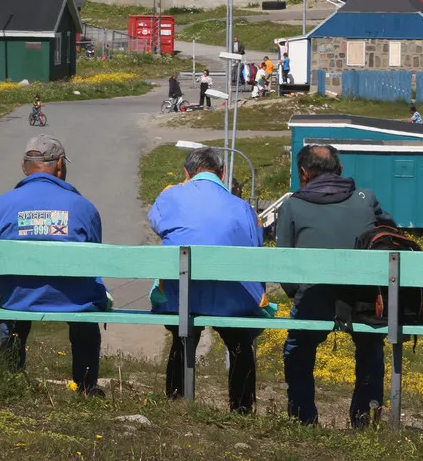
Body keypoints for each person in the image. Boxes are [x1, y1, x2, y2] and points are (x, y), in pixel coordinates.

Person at [277, 145, 391, 428]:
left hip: (314, 296)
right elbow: (389, 234)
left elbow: (284, 266)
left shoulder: (291, 205)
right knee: (370, 347)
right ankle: (364, 418)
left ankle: (303, 417)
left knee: (298, 348)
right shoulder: (365, 199)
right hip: (362, 298)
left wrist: (296, 292)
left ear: (303, 174)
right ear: (339, 170)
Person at [0, 135, 106, 397]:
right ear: (60, 165)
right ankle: (86, 387)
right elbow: (97, 257)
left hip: (16, 298)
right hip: (74, 300)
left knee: (12, 313)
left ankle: (9, 379)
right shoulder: (84, 207)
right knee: (86, 319)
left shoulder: (2, 205)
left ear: (23, 166)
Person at [148, 148, 265, 414]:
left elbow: (157, 223)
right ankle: (242, 408)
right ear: (222, 174)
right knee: (239, 340)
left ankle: (177, 399)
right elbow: (256, 242)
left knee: (181, 335)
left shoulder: (170, 196)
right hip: (230, 296)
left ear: (186, 174)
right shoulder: (242, 207)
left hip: (183, 295)